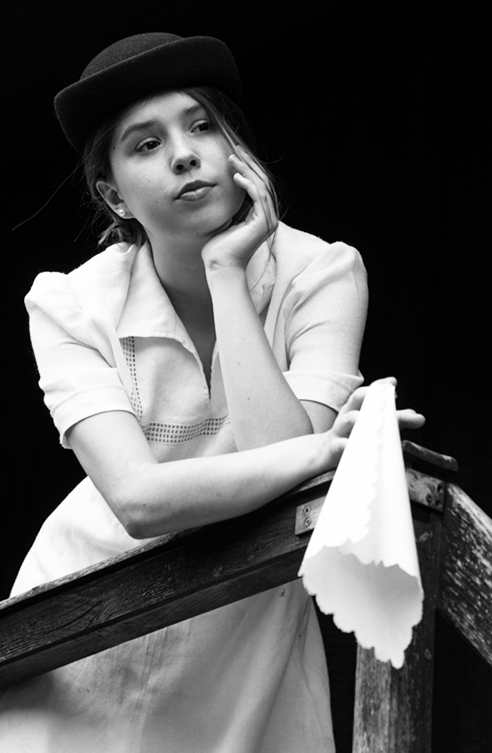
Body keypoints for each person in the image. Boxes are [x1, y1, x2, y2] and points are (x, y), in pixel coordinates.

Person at [0, 32, 424, 752]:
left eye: (203, 126)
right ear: (113, 196)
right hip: (86, 620)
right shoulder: (70, 304)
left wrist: (227, 269)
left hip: (247, 622)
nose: (185, 153)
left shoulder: (320, 273)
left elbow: (286, 477)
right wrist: (324, 449)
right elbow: (137, 499)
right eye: (145, 144)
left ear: (238, 150)